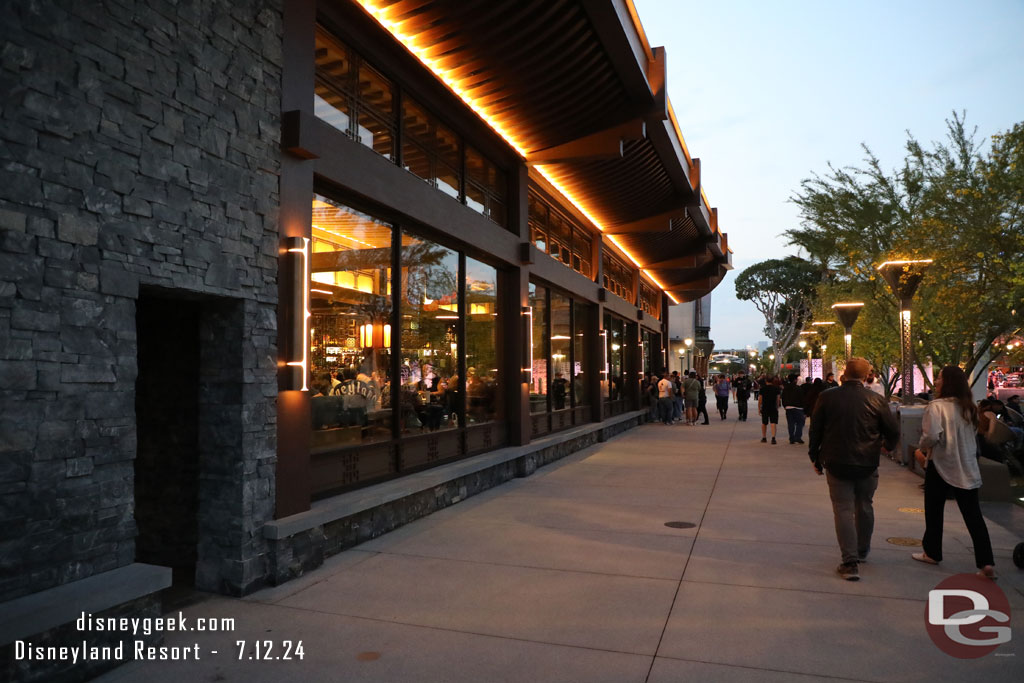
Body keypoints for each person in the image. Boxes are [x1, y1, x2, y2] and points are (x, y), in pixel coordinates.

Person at [808, 357, 899, 581]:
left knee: (843, 509)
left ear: (845, 373)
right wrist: (885, 447)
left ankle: (849, 562)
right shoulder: (877, 400)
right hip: (868, 462)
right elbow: (893, 432)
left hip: (837, 461)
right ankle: (861, 550)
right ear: (866, 374)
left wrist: (815, 457)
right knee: (865, 505)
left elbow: (815, 430)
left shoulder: (827, 397)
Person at [911, 366, 996, 579]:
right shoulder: (969, 408)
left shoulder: (936, 407)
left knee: (934, 510)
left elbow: (931, 436)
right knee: (973, 515)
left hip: (941, 464)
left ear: (946, 382)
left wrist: (921, 447)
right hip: (967, 466)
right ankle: (986, 562)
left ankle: (932, 552)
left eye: (939, 378)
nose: (936, 382)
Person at [781, 374, 806, 444]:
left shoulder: (786, 388)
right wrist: (804, 407)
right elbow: (802, 398)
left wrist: (785, 406)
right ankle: (798, 437)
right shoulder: (798, 388)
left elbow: (783, 397)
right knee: (800, 422)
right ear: (795, 380)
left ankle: (791, 438)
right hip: (798, 408)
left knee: (791, 423)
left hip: (788, 407)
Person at [758, 376, 782, 444]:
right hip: (773, 407)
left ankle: (764, 437)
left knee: (764, 423)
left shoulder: (762, 389)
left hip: (765, 407)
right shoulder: (776, 389)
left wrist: (759, 408)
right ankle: (773, 438)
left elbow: (760, 400)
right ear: (772, 381)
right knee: (773, 423)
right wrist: (777, 407)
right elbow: (778, 399)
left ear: (766, 381)